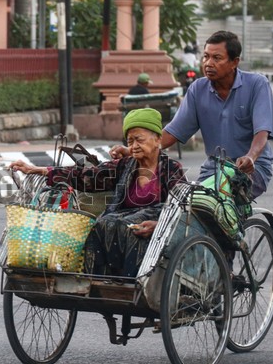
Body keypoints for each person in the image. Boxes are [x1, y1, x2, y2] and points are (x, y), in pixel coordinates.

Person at [10, 108, 186, 277]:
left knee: (123, 227)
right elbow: (87, 175)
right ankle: (99, 280)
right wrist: (37, 170)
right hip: (122, 221)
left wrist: (158, 225)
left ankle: (132, 283)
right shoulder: (124, 165)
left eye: (139, 139)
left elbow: (182, 211)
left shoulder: (171, 169)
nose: (134, 146)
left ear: (157, 139)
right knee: (101, 224)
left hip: (156, 228)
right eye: (130, 141)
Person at [111, 30, 273, 199]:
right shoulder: (198, 89)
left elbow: (262, 131)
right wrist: (133, 150)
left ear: (234, 62)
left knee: (218, 205)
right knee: (188, 207)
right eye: (205, 57)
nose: (208, 63)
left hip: (252, 168)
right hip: (214, 170)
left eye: (216, 58)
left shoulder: (257, 84)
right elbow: (172, 132)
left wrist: (251, 156)